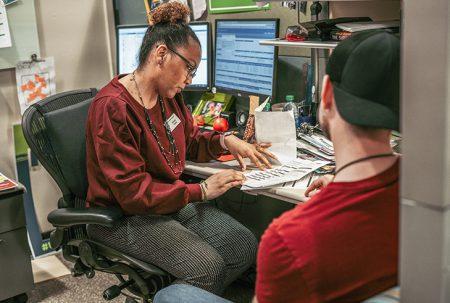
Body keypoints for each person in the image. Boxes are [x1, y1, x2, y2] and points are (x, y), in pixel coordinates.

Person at [153, 30, 400, 303]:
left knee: (171, 296)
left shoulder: (290, 239)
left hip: (172, 204)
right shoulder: (432, 198)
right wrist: (340, 178)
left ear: (326, 94)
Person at [85, 2, 275, 295]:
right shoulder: (112, 108)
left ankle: (177, 296)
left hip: (168, 202)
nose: (191, 78)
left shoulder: (167, 96)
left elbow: (190, 140)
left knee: (244, 246)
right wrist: (201, 191)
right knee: (206, 268)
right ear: (161, 54)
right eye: (189, 67)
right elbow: (133, 194)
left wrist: (226, 140)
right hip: (124, 216)